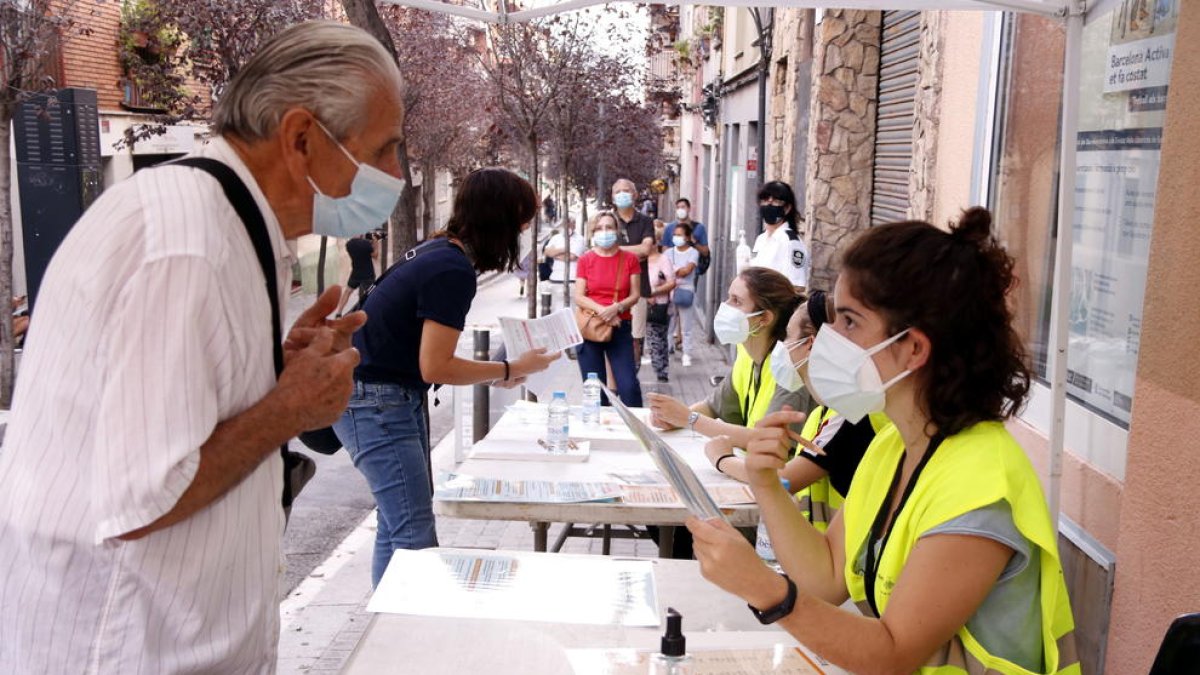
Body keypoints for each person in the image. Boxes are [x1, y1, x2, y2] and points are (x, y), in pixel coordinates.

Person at [0, 22, 396, 672]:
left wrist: (281, 375)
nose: (395, 174)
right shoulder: (187, 242)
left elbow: (190, 414)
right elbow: (145, 493)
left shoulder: (226, 224)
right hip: (123, 646)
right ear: (301, 138)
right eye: (384, 148)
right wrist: (288, 407)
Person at [687, 209, 1077, 674]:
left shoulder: (981, 486)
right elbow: (828, 574)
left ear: (913, 349)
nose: (828, 338)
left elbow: (891, 654)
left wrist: (767, 590)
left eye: (849, 322)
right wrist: (766, 483)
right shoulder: (895, 444)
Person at [335, 168, 560, 587]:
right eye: (522, 221)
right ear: (501, 220)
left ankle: (390, 629)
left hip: (380, 395)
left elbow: (428, 357)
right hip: (377, 401)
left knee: (397, 521)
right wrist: (512, 368)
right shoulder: (450, 269)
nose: (525, 230)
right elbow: (435, 367)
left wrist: (502, 373)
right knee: (412, 532)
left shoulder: (438, 251)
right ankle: (401, 637)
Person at [703, 289, 885, 532]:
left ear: (809, 344)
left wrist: (722, 459)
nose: (783, 346)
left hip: (839, 561)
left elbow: (784, 480)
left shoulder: (849, 415)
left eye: (788, 337)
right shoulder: (824, 412)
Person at [647, 266, 808, 449]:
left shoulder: (789, 369)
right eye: (728, 297)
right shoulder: (746, 355)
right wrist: (673, 417)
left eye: (736, 301)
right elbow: (714, 406)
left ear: (764, 318)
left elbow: (766, 440)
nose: (725, 306)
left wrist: (688, 418)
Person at [574, 211, 643, 406]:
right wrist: (604, 312)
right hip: (590, 327)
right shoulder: (585, 260)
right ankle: (599, 430)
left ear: (617, 230)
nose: (604, 232)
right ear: (592, 232)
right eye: (599, 228)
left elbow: (635, 295)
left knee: (628, 385)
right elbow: (579, 296)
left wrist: (617, 308)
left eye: (609, 227)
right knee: (594, 390)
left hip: (620, 325)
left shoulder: (629, 259)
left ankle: (637, 430)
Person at [610, 178, 655, 369]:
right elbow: (602, 251)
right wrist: (633, 253)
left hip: (639, 290)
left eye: (626, 190)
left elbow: (646, 250)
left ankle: (631, 377)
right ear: (612, 197)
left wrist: (616, 251)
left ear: (635, 195)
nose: (622, 194)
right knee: (611, 338)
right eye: (618, 191)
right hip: (610, 290)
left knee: (635, 339)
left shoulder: (645, 221)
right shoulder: (608, 221)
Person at [750, 181, 810, 292]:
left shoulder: (791, 242)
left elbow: (797, 286)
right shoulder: (760, 240)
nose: (769, 205)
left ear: (787, 208)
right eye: (765, 200)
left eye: (775, 202)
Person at [666, 222, 700, 367]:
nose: (676, 237)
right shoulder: (668, 252)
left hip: (686, 290)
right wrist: (677, 270)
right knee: (669, 323)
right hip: (670, 290)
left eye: (679, 235)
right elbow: (664, 272)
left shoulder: (693, 252)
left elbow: (687, 271)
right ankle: (667, 349)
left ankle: (687, 354)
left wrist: (674, 270)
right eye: (674, 235)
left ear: (687, 237)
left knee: (686, 325)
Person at [645, 226, 677, 384]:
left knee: (658, 340)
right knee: (636, 340)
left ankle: (661, 370)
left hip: (659, 306)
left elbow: (672, 283)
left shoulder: (663, 260)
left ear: (656, 241)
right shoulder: (639, 260)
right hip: (639, 306)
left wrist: (654, 292)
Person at [543, 216, 586, 312]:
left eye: (571, 223)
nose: (569, 225)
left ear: (574, 225)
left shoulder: (579, 239)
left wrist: (555, 254)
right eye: (566, 223)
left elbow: (571, 257)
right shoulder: (555, 238)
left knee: (572, 311)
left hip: (572, 280)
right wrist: (564, 249)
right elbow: (547, 252)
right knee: (556, 311)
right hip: (555, 279)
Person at [337, 231, 379, 316]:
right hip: (368, 274)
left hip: (355, 273)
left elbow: (361, 250)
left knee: (347, 292)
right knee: (371, 295)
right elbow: (375, 255)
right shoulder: (365, 244)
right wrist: (375, 243)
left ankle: (339, 312)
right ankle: (372, 312)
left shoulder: (348, 245)